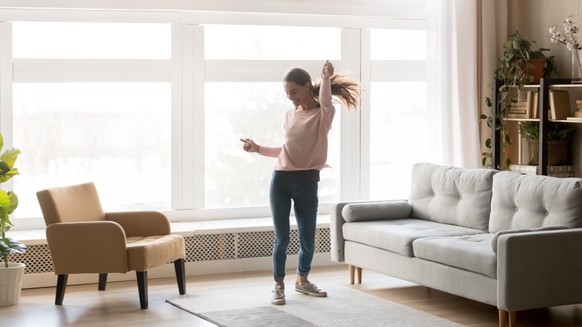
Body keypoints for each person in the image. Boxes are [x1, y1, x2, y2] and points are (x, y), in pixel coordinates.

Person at [240, 60, 360, 305]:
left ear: (307, 87)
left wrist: (325, 79)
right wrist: (257, 149)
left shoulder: (323, 114)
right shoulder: (289, 115)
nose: (290, 97)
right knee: (281, 238)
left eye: (293, 91)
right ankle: (278, 285)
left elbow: (325, 100)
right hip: (280, 181)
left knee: (307, 238)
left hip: (307, 182)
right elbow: (285, 150)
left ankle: (302, 281)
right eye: (286, 93)